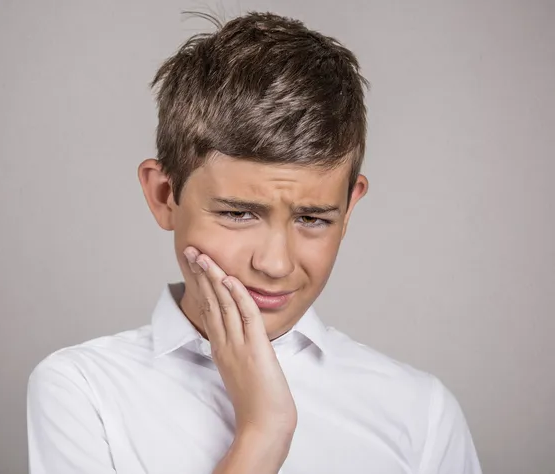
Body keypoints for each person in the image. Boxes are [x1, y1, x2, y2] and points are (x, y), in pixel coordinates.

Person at [27, 11, 482, 474]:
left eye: (312, 218)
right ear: (164, 196)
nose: (275, 263)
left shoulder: (419, 411)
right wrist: (264, 433)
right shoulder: (84, 389)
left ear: (349, 209)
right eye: (238, 213)